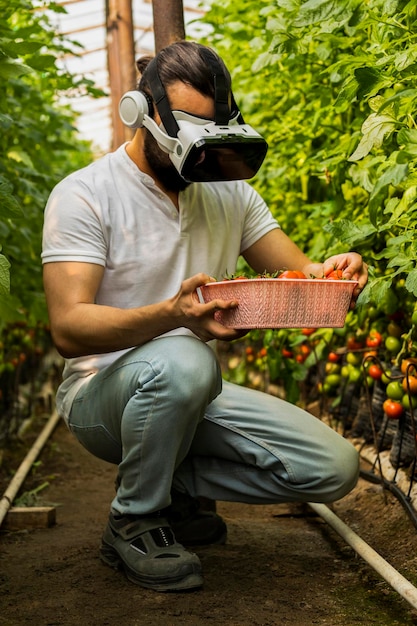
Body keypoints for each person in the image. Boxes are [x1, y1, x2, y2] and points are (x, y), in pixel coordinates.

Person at [42, 40, 368, 593]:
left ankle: (169, 484)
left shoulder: (231, 194)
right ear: (140, 115)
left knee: (332, 468)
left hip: (189, 391)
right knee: (184, 356)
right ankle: (134, 520)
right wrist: (173, 314)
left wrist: (334, 273)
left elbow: (300, 275)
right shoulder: (86, 194)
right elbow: (69, 330)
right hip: (100, 397)